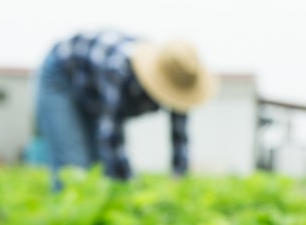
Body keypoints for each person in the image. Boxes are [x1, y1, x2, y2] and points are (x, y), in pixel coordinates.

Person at [34, 31, 216, 189]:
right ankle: (67, 223)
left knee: (99, 166)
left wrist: (178, 180)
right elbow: (110, 136)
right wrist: (129, 189)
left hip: (94, 91)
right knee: (74, 168)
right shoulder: (120, 69)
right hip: (61, 76)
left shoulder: (178, 76)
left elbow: (180, 139)